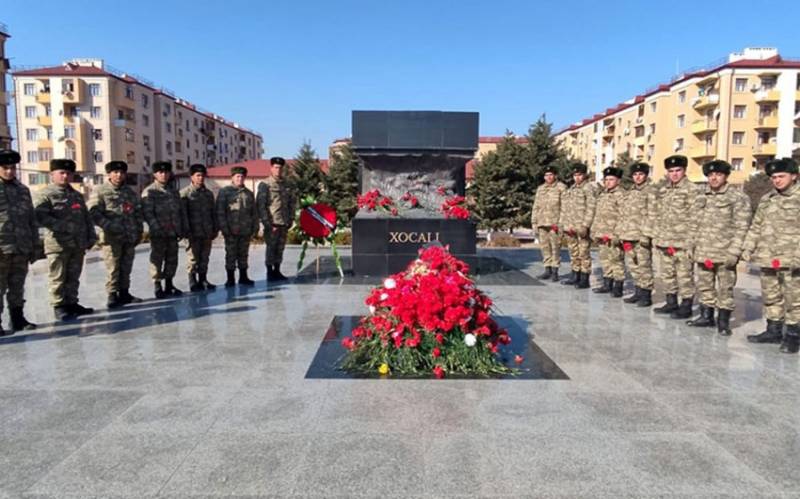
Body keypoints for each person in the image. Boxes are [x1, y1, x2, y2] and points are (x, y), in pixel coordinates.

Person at [686, 160, 751, 335]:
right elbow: (693, 224)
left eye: (718, 175)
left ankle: (723, 322)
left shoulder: (737, 197)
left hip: (725, 253)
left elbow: (742, 227)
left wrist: (735, 251)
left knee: (725, 289)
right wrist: (690, 246)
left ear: (726, 176)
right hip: (703, 251)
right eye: (711, 175)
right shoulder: (701, 196)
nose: (714, 178)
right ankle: (706, 316)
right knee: (705, 286)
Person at [742, 157, 800, 352]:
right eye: (774, 177)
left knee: (794, 299)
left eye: (781, 176)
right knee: (771, 296)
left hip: (792, 259)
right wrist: (748, 248)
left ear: (794, 175)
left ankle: (793, 336)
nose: (777, 180)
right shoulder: (768, 199)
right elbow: (756, 226)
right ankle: (773, 330)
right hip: (768, 256)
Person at [34, 158, 97, 320]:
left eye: (68, 173)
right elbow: (40, 216)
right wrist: (63, 226)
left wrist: (91, 235)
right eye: (61, 173)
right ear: (52, 174)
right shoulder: (45, 194)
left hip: (77, 244)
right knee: (58, 276)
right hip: (58, 245)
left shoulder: (76, 195)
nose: (65, 176)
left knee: (74, 276)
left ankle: (72, 303)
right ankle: (59, 306)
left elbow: (86, 217)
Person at [88, 160, 144, 308]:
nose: (119, 175)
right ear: (109, 174)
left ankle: (124, 293)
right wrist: (109, 226)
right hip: (111, 238)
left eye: (122, 173)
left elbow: (137, 212)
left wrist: (139, 231)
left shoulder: (129, 192)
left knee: (126, 267)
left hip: (129, 236)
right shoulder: (100, 191)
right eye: (115, 172)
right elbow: (93, 212)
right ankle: (112, 295)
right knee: (113, 267)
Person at [652, 155, 700, 319]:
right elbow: (658, 215)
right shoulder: (664, 191)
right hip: (665, 241)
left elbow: (696, 217)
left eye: (678, 170)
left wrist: (691, 242)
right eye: (671, 171)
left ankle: (686, 306)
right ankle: (671, 302)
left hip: (682, 242)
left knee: (684, 275)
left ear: (684, 170)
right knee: (667, 274)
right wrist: (657, 237)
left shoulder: (692, 190)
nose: (674, 174)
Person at [0, 149, 41, 335]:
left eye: (12, 167)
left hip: (21, 247)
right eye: (4, 167)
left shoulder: (23, 190)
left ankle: (17, 318)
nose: (9, 171)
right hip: (1, 248)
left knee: (17, 286)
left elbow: (31, 219)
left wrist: (34, 245)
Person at [142, 161, 187, 299]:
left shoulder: (173, 191)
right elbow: (148, 213)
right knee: (157, 259)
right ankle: (157, 286)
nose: (164, 175)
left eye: (166, 172)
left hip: (173, 232)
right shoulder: (149, 191)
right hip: (159, 233)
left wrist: (181, 228)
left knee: (172, 259)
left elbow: (180, 211)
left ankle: (169, 284)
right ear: (155, 174)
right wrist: (156, 229)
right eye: (160, 172)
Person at [617, 162, 657, 307]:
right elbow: (623, 214)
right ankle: (638, 291)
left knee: (644, 265)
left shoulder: (651, 192)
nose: (638, 177)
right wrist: (621, 233)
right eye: (635, 174)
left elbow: (652, 215)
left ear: (646, 175)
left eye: (641, 174)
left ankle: (646, 295)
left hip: (641, 236)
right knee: (633, 265)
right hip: (628, 235)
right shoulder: (630, 192)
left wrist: (647, 235)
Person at [216, 166, 258, 287]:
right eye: (237, 176)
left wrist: (255, 228)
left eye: (242, 176)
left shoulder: (248, 193)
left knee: (243, 254)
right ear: (232, 178)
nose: (240, 179)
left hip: (245, 230)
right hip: (231, 230)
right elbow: (220, 212)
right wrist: (224, 229)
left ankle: (243, 277)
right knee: (230, 254)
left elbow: (254, 212)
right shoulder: (225, 192)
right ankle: (230, 279)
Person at [558, 162, 596, 289]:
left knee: (584, 253)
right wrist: (563, 224)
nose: (577, 178)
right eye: (575, 175)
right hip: (571, 227)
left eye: (579, 175)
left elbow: (591, 208)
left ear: (584, 175)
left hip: (581, 227)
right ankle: (576, 275)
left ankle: (585, 279)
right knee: (573, 252)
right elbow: (565, 208)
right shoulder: (571, 189)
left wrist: (585, 225)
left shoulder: (588, 189)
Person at [180, 164, 218, 292]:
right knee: (193, 258)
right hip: (192, 232)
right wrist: (186, 230)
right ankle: (192, 281)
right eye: (198, 175)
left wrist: (215, 228)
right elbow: (183, 214)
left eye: (202, 175)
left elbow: (213, 212)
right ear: (191, 177)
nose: (200, 178)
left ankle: (203, 279)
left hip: (206, 231)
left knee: (204, 257)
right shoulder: (185, 194)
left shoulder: (208, 194)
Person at [257, 156, 295, 281]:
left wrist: (291, 219)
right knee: (271, 248)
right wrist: (267, 223)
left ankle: (277, 270)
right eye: (276, 167)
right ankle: (269, 272)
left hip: (284, 221)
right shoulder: (265, 184)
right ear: (271, 168)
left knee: (280, 248)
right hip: (272, 222)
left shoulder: (287, 184)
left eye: (280, 168)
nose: (278, 170)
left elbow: (291, 203)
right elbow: (261, 205)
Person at [590, 166, 626, 297]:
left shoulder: (621, 195)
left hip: (614, 234)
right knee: (605, 260)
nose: (608, 182)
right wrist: (594, 231)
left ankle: (618, 286)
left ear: (618, 181)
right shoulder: (603, 194)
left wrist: (618, 234)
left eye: (611, 179)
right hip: (602, 233)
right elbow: (597, 214)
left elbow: (624, 217)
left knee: (616, 260)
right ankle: (607, 284)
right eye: (606, 179)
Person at [531, 165, 566, 282]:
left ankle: (555, 270)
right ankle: (547, 269)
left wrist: (561, 223)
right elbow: (536, 206)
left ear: (555, 175)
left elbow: (565, 207)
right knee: (544, 247)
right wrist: (534, 222)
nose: (548, 177)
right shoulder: (540, 189)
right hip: (542, 222)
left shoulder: (561, 188)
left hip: (554, 223)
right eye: (546, 175)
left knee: (555, 247)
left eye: (551, 174)